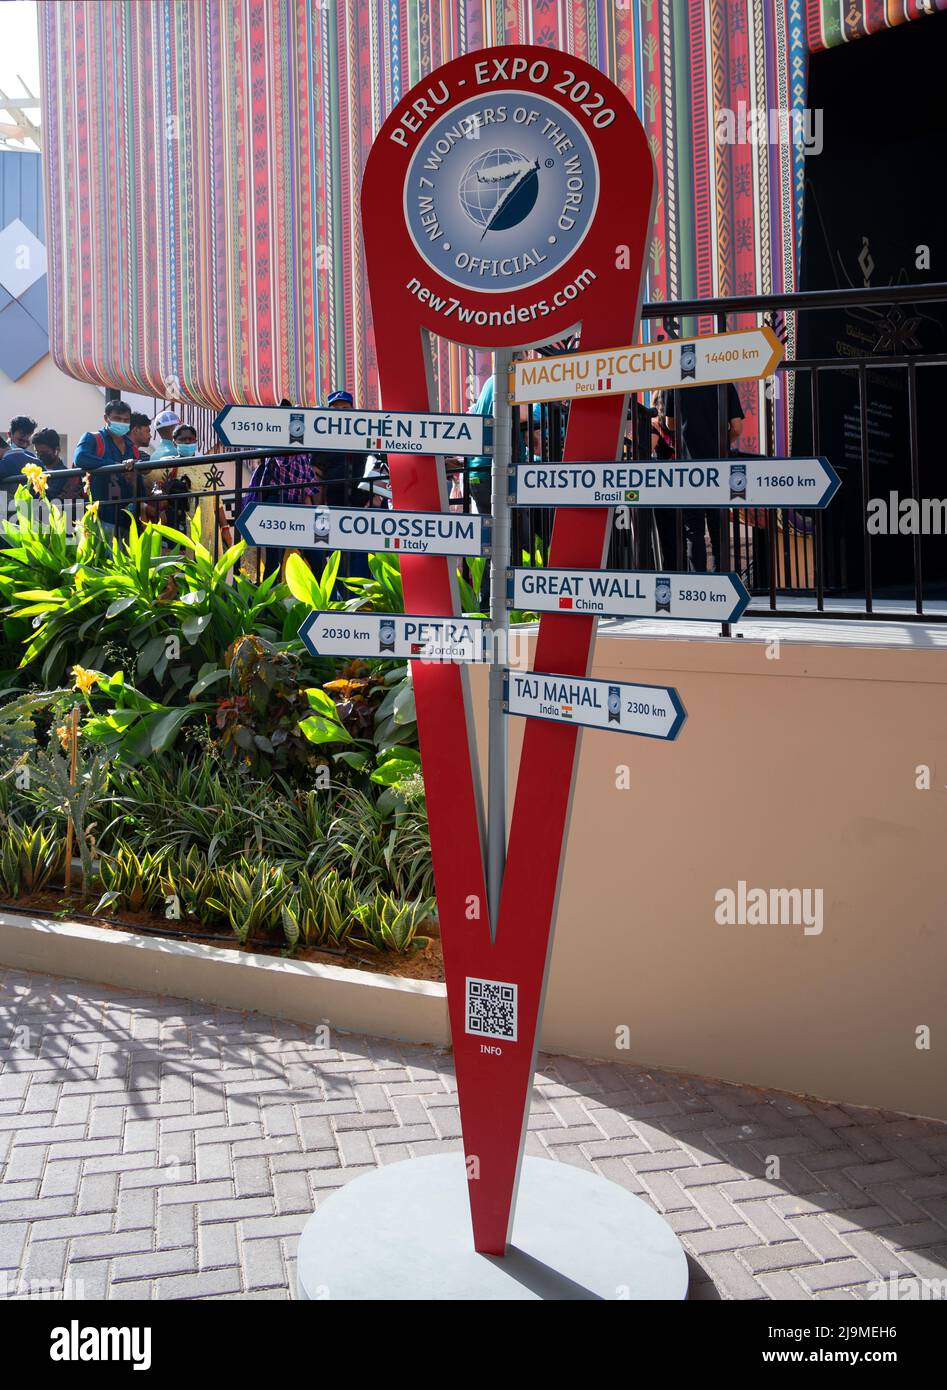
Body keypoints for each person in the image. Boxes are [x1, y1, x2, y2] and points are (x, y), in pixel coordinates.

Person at [656, 383, 744, 573]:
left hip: (689, 466)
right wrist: (722, 444)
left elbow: (670, 423)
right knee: (719, 529)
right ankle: (721, 583)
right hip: (718, 467)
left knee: (693, 531)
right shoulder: (724, 380)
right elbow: (737, 427)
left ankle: (698, 585)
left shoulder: (677, 382)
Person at [73, 399, 141, 538]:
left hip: (129, 520)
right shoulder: (93, 438)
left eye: (126, 420)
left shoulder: (132, 448)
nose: (122, 423)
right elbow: (80, 458)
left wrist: (133, 478)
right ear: (106, 418)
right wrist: (117, 465)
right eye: (117, 418)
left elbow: (139, 484)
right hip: (101, 517)